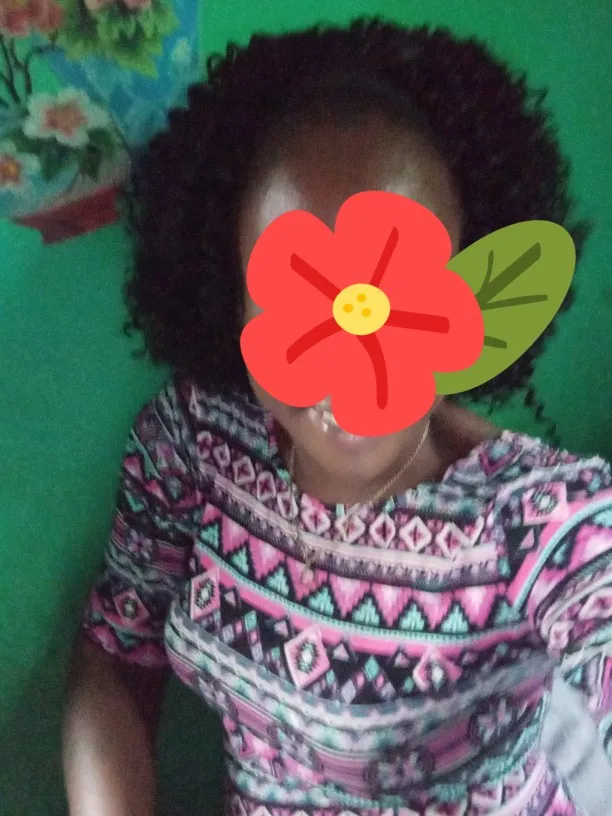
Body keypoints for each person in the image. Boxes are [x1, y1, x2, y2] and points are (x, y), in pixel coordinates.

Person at [62, 18, 612, 816]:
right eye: (297, 298)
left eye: (394, 292)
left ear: (467, 293)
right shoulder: (192, 443)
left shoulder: (540, 516)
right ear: (233, 299)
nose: (346, 354)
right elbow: (115, 654)